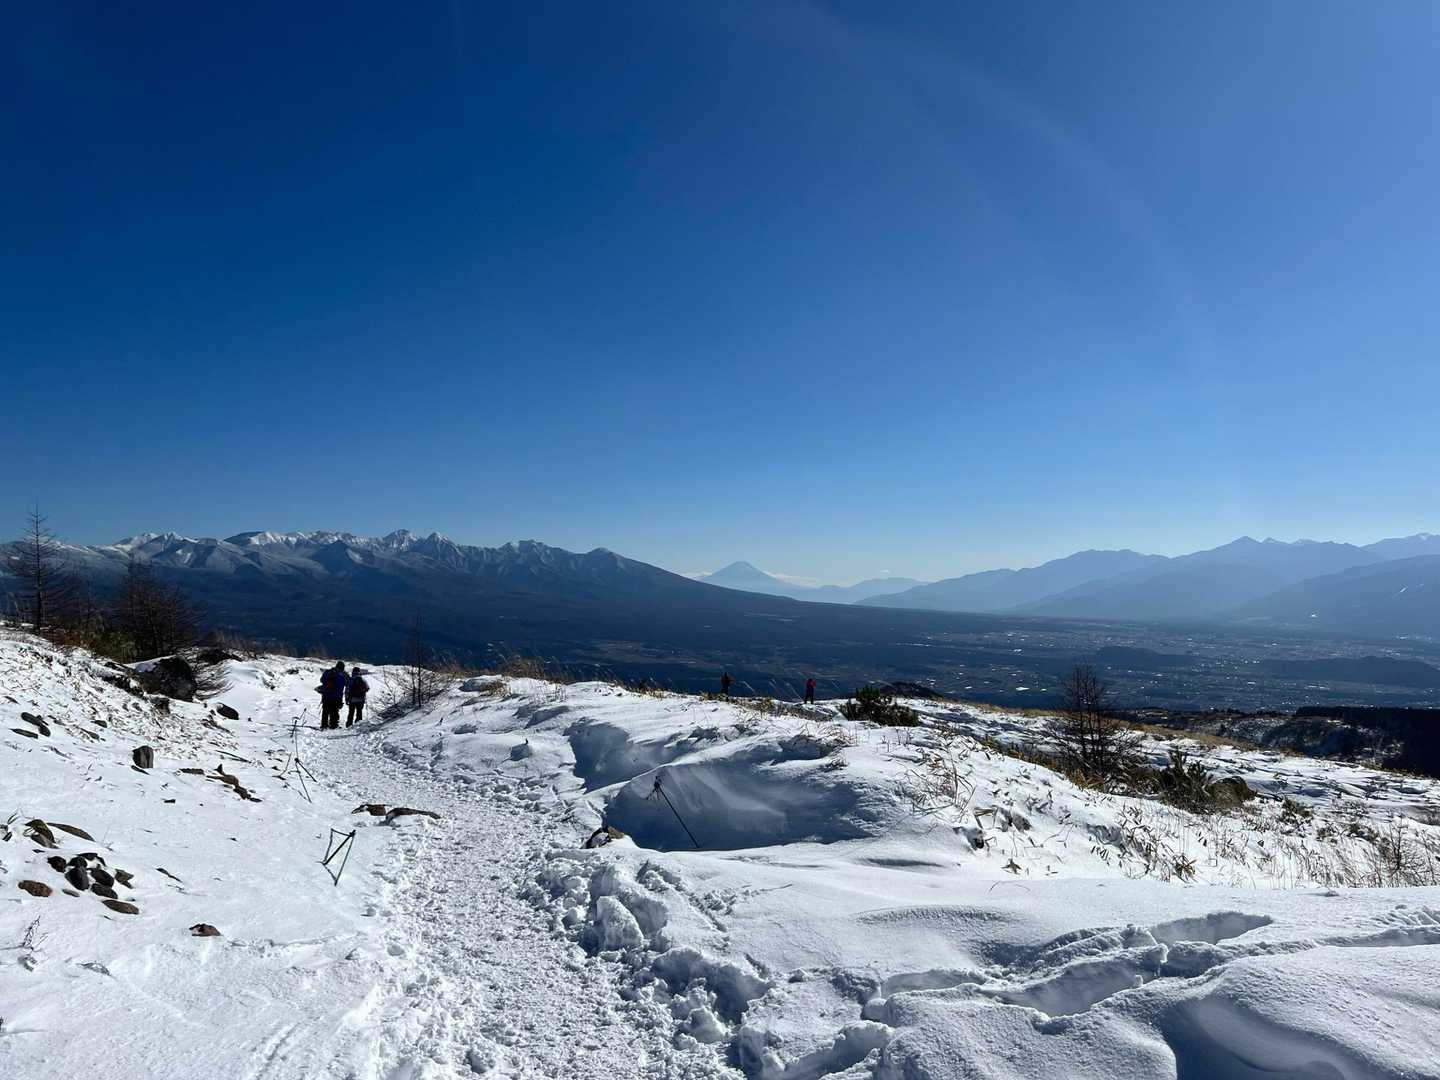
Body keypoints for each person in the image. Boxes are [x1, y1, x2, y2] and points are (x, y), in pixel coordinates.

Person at [318, 660, 348, 730]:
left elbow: (321, 680)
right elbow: (341, 687)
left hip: (326, 695)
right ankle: (333, 725)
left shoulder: (327, 672)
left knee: (325, 711)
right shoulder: (341, 675)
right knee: (334, 711)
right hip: (335, 696)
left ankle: (324, 725)